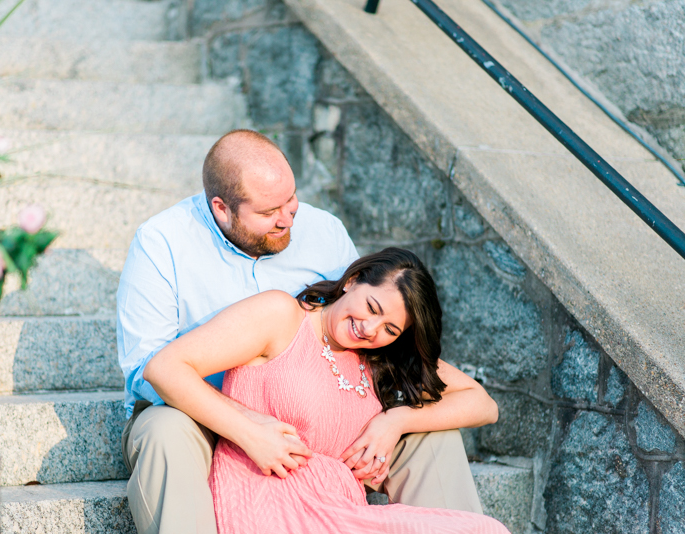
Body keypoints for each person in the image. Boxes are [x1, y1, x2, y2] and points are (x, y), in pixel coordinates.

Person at [117, 129, 495, 534]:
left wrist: (396, 419)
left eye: (291, 202)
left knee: (431, 431)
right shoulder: (162, 242)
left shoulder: (324, 231)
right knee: (166, 431)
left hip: (318, 422)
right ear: (222, 209)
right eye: (268, 213)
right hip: (195, 410)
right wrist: (245, 423)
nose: (287, 219)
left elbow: (363, 326)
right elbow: (150, 371)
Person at [143, 248, 506, 534]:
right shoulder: (282, 317)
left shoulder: (380, 359)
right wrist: (250, 432)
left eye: (390, 328)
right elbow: (164, 368)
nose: (369, 328)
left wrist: (395, 420)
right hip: (265, 498)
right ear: (352, 281)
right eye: (372, 307)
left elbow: (483, 405)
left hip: (343, 513)